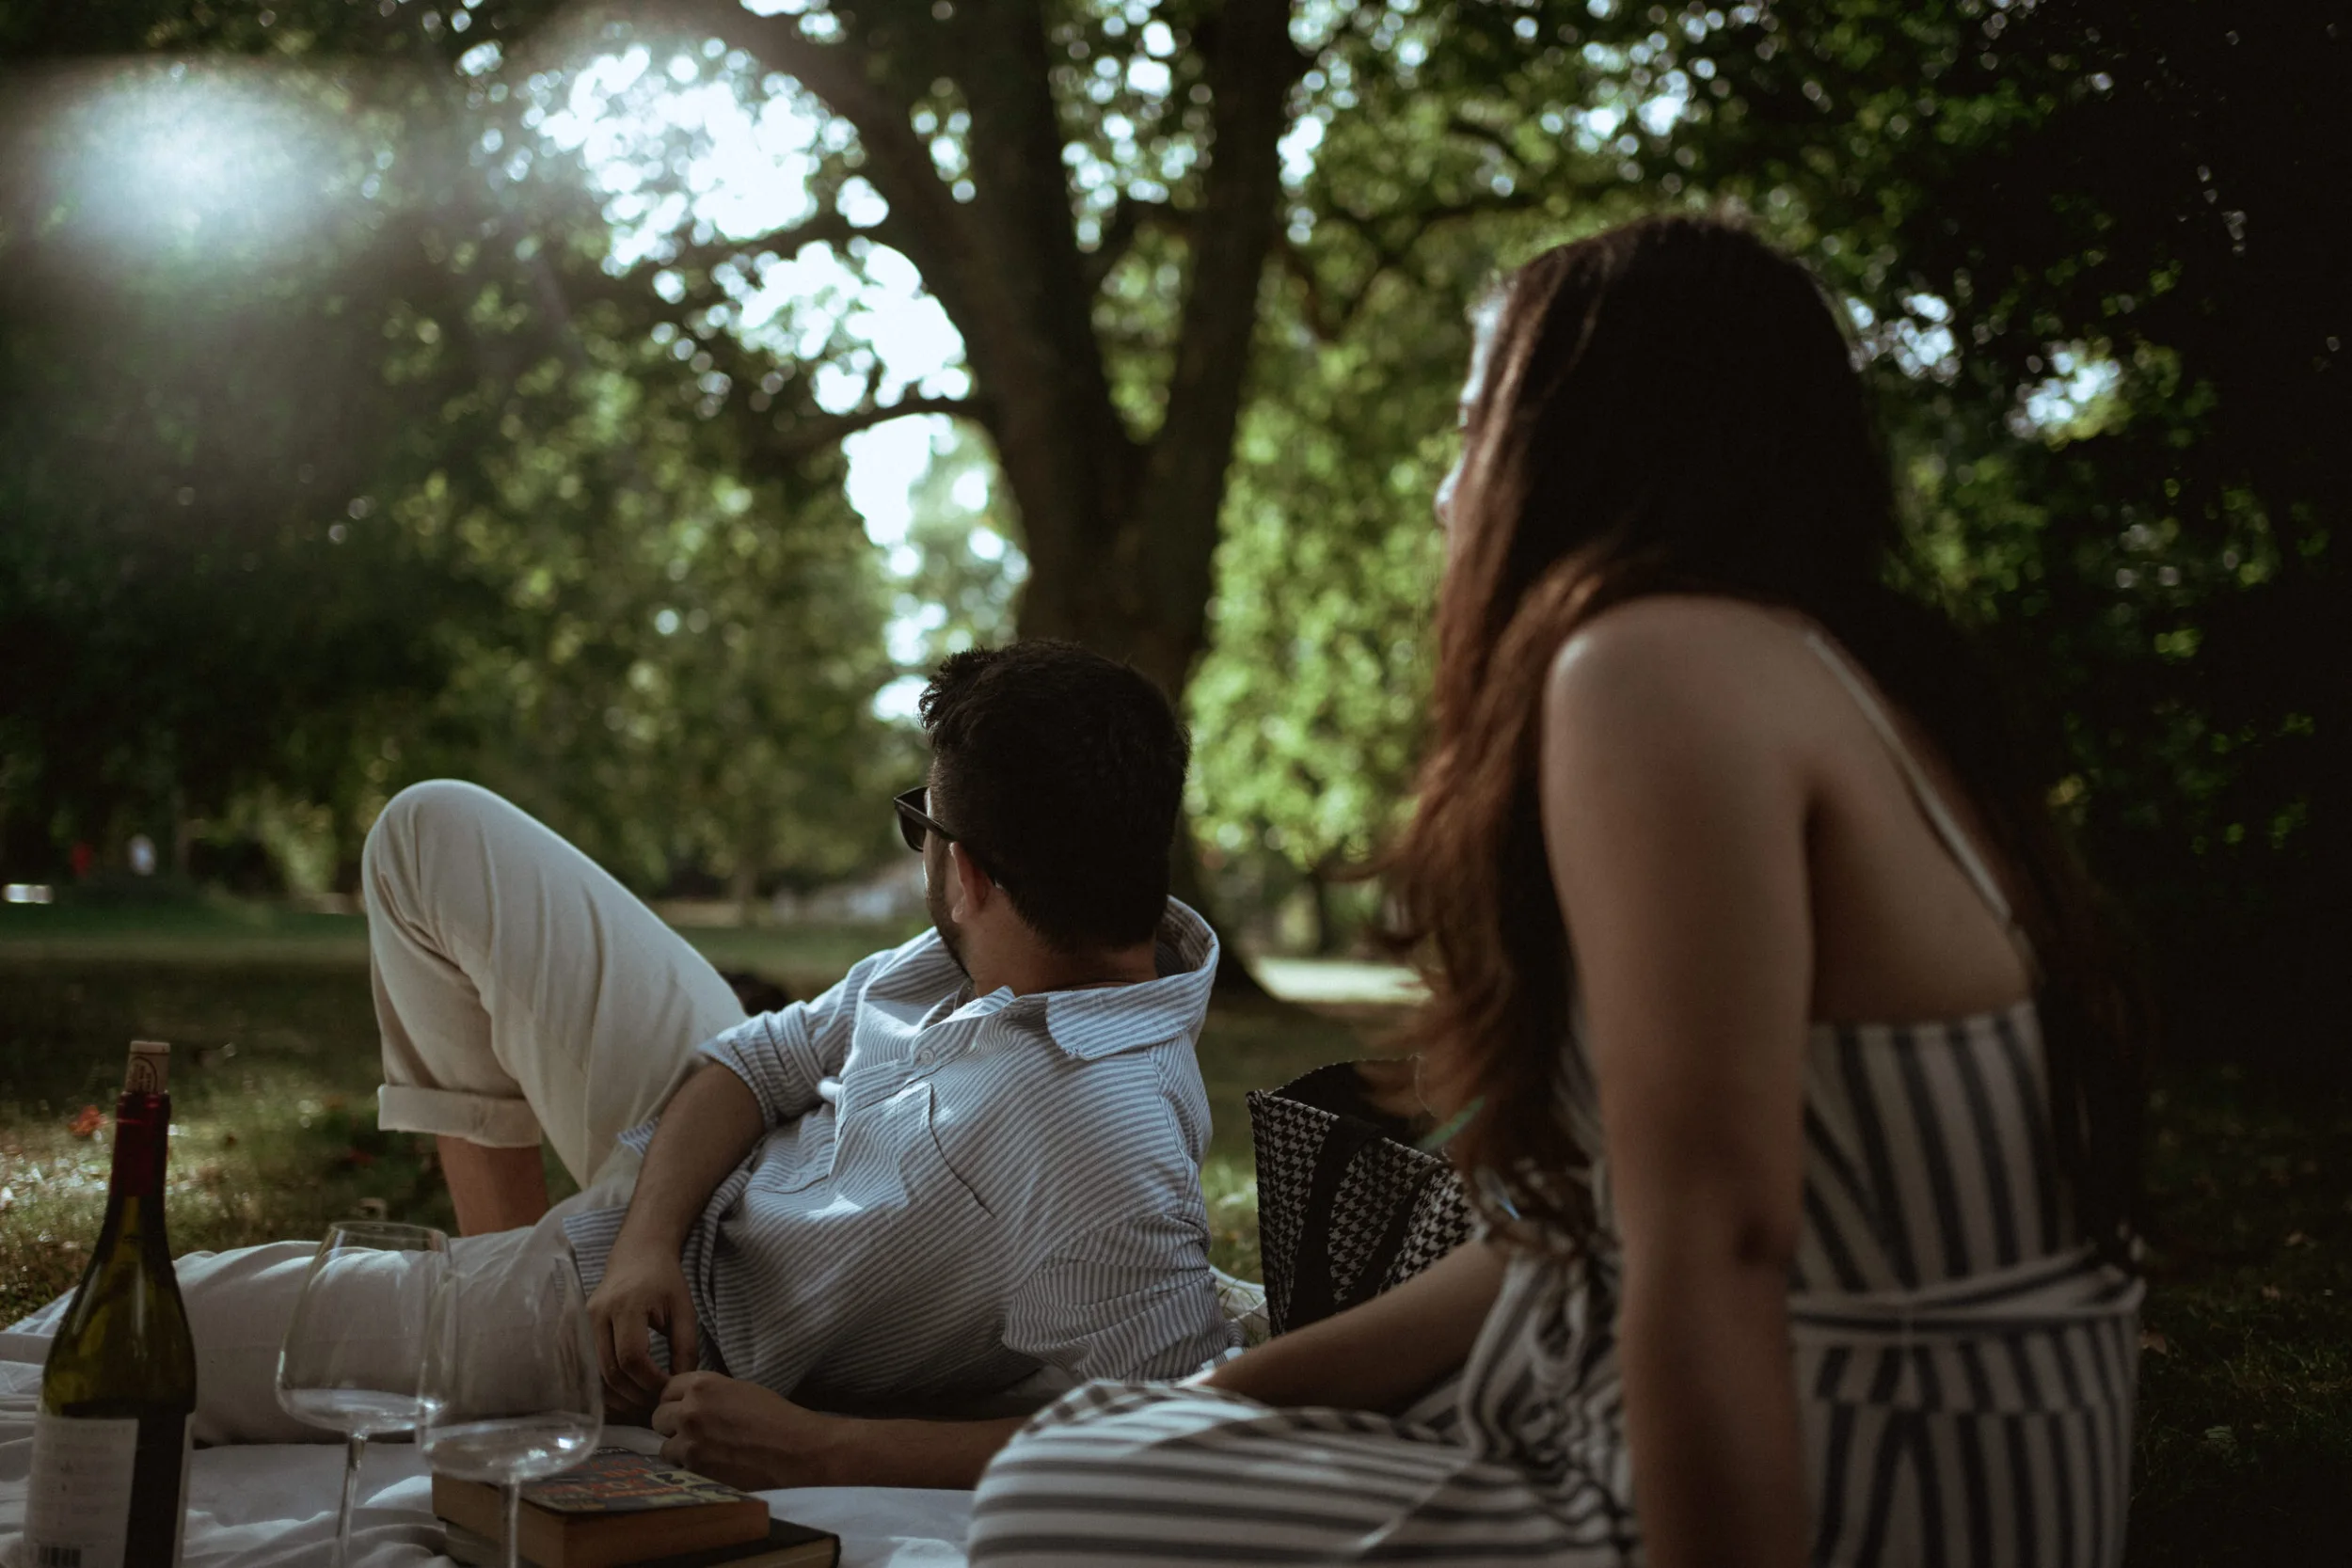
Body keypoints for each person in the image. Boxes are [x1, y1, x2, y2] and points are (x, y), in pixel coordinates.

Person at [964, 215, 2146, 1566]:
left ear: (1580, 448)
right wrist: (1212, 1403)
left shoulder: (1656, 668)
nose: (1444, 495)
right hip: (1921, 1447)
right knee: (1091, 1455)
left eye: (1473, 430)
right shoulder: (1856, 679)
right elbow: (1572, 1231)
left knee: (1046, 1505)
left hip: (1845, 1480)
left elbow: (1717, 1237)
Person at [5, 641, 1235, 1491]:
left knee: (163, 1331)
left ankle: (512, 1326)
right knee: (432, 833)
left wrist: (823, 1444)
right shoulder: (989, 949)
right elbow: (754, 1058)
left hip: (690, 1340)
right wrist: (645, 1241)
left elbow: (1150, 1432)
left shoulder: (1098, 1138)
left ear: (969, 867)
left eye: (924, 822)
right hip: (677, 1213)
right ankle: (514, 1283)